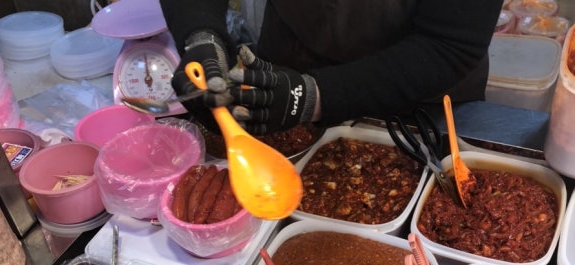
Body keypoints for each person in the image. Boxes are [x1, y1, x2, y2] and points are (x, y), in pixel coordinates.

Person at [159, 0, 503, 135]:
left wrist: (315, 97)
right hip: (291, 57)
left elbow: (449, 43)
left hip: (422, 90)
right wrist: (201, 37)